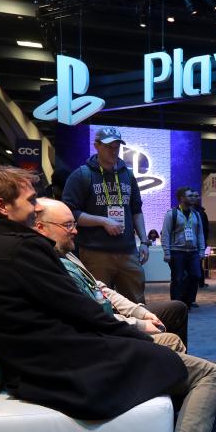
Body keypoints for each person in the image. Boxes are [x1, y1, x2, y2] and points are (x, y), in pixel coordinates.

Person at [0, 165, 216, 432]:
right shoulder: (22, 249)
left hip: (39, 369)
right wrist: (137, 337)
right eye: (30, 201)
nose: (35, 208)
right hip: (75, 370)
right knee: (210, 373)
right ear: (1, 206)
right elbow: (82, 310)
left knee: (167, 346)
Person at [35, 198, 187, 349]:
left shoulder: (66, 251)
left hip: (109, 313)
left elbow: (99, 288)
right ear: (40, 227)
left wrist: (139, 312)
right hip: (101, 329)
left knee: (176, 309)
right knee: (172, 341)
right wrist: (139, 324)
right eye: (67, 225)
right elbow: (91, 317)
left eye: (73, 224)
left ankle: (173, 366)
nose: (75, 230)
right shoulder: (46, 264)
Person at [62, 126, 151, 304]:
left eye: (117, 146)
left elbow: (136, 210)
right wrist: (102, 221)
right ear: (96, 145)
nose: (113, 150)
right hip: (96, 252)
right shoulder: (82, 175)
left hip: (127, 252)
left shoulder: (128, 175)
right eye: (109, 146)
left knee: (137, 302)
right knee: (100, 304)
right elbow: (69, 212)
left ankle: (139, 332)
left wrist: (144, 241)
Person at [162, 187, 206, 310]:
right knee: (177, 279)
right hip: (177, 252)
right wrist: (167, 252)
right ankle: (176, 305)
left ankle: (187, 301)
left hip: (193, 252)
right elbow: (165, 234)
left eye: (193, 195)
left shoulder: (196, 214)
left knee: (196, 276)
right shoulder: (172, 214)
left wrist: (201, 250)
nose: (193, 198)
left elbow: (200, 233)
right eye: (190, 196)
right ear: (182, 198)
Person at [188, 189, 211, 288]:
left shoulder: (201, 212)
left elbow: (205, 229)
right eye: (194, 196)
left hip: (199, 243)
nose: (197, 198)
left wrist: (203, 243)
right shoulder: (183, 211)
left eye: (198, 196)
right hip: (187, 243)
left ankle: (200, 282)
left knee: (198, 263)